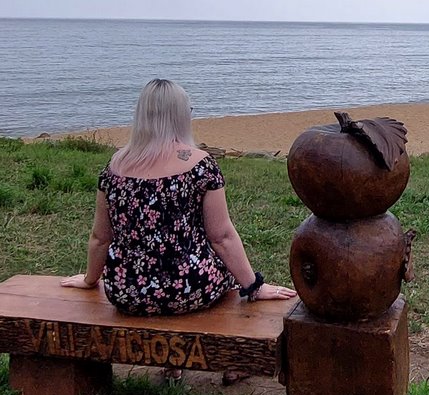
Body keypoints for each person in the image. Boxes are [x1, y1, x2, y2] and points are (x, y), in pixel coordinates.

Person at [62, 79, 296, 316]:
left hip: (126, 293)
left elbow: (100, 238)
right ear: (181, 116)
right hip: (190, 288)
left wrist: (90, 280)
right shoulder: (200, 165)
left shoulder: (114, 167)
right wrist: (254, 287)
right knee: (220, 270)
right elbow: (222, 237)